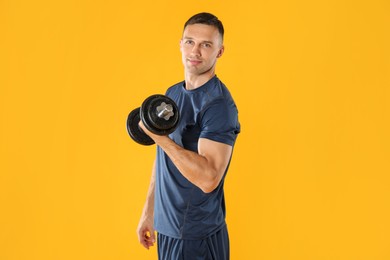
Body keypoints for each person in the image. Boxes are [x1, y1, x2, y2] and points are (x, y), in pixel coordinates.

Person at [136, 12, 240, 260]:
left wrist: (160, 137)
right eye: (190, 42)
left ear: (220, 51)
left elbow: (208, 179)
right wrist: (149, 212)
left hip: (197, 236)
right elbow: (163, 157)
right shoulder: (172, 93)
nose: (196, 51)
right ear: (180, 44)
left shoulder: (218, 105)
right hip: (168, 230)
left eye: (206, 45)